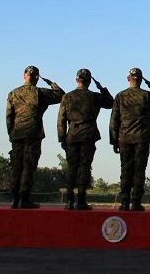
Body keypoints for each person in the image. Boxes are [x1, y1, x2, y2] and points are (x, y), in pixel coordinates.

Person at [6, 65, 65, 209]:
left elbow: (9, 116)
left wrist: (11, 133)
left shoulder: (13, 93)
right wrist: (50, 82)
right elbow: (61, 95)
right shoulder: (41, 93)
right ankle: (24, 199)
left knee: (16, 166)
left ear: (24, 76)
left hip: (17, 134)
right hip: (33, 133)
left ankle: (14, 199)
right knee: (29, 166)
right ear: (37, 78)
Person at [109, 68, 150, 211]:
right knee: (139, 171)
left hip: (124, 138)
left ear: (129, 79)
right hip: (142, 138)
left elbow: (114, 120)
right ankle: (135, 202)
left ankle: (124, 202)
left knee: (125, 170)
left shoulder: (120, 96)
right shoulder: (146, 95)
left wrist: (114, 140)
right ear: (140, 80)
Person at [57, 69, 113, 210]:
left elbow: (61, 120)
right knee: (84, 166)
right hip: (88, 135)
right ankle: (81, 200)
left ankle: (69, 200)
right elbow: (111, 102)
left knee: (72, 167)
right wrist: (102, 88)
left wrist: (62, 138)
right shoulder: (94, 96)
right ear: (89, 81)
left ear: (77, 80)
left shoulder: (67, 97)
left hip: (73, 135)